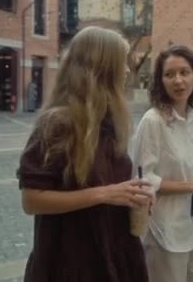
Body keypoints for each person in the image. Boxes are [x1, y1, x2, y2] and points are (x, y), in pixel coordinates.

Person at [16, 26, 152, 282]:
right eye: (120, 63)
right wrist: (105, 194)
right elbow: (32, 200)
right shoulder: (57, 124)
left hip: (115, 253)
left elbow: (114, 188)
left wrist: (133, 197)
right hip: (72, 262)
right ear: (101, 68)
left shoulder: (110, 122)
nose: (125, 70)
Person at [131, 45, 193, 282]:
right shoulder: (153, 121)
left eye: (184, 72)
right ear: (160, 81)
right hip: (165, 229)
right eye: (169, 74)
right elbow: (144, 179)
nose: (178, 80)